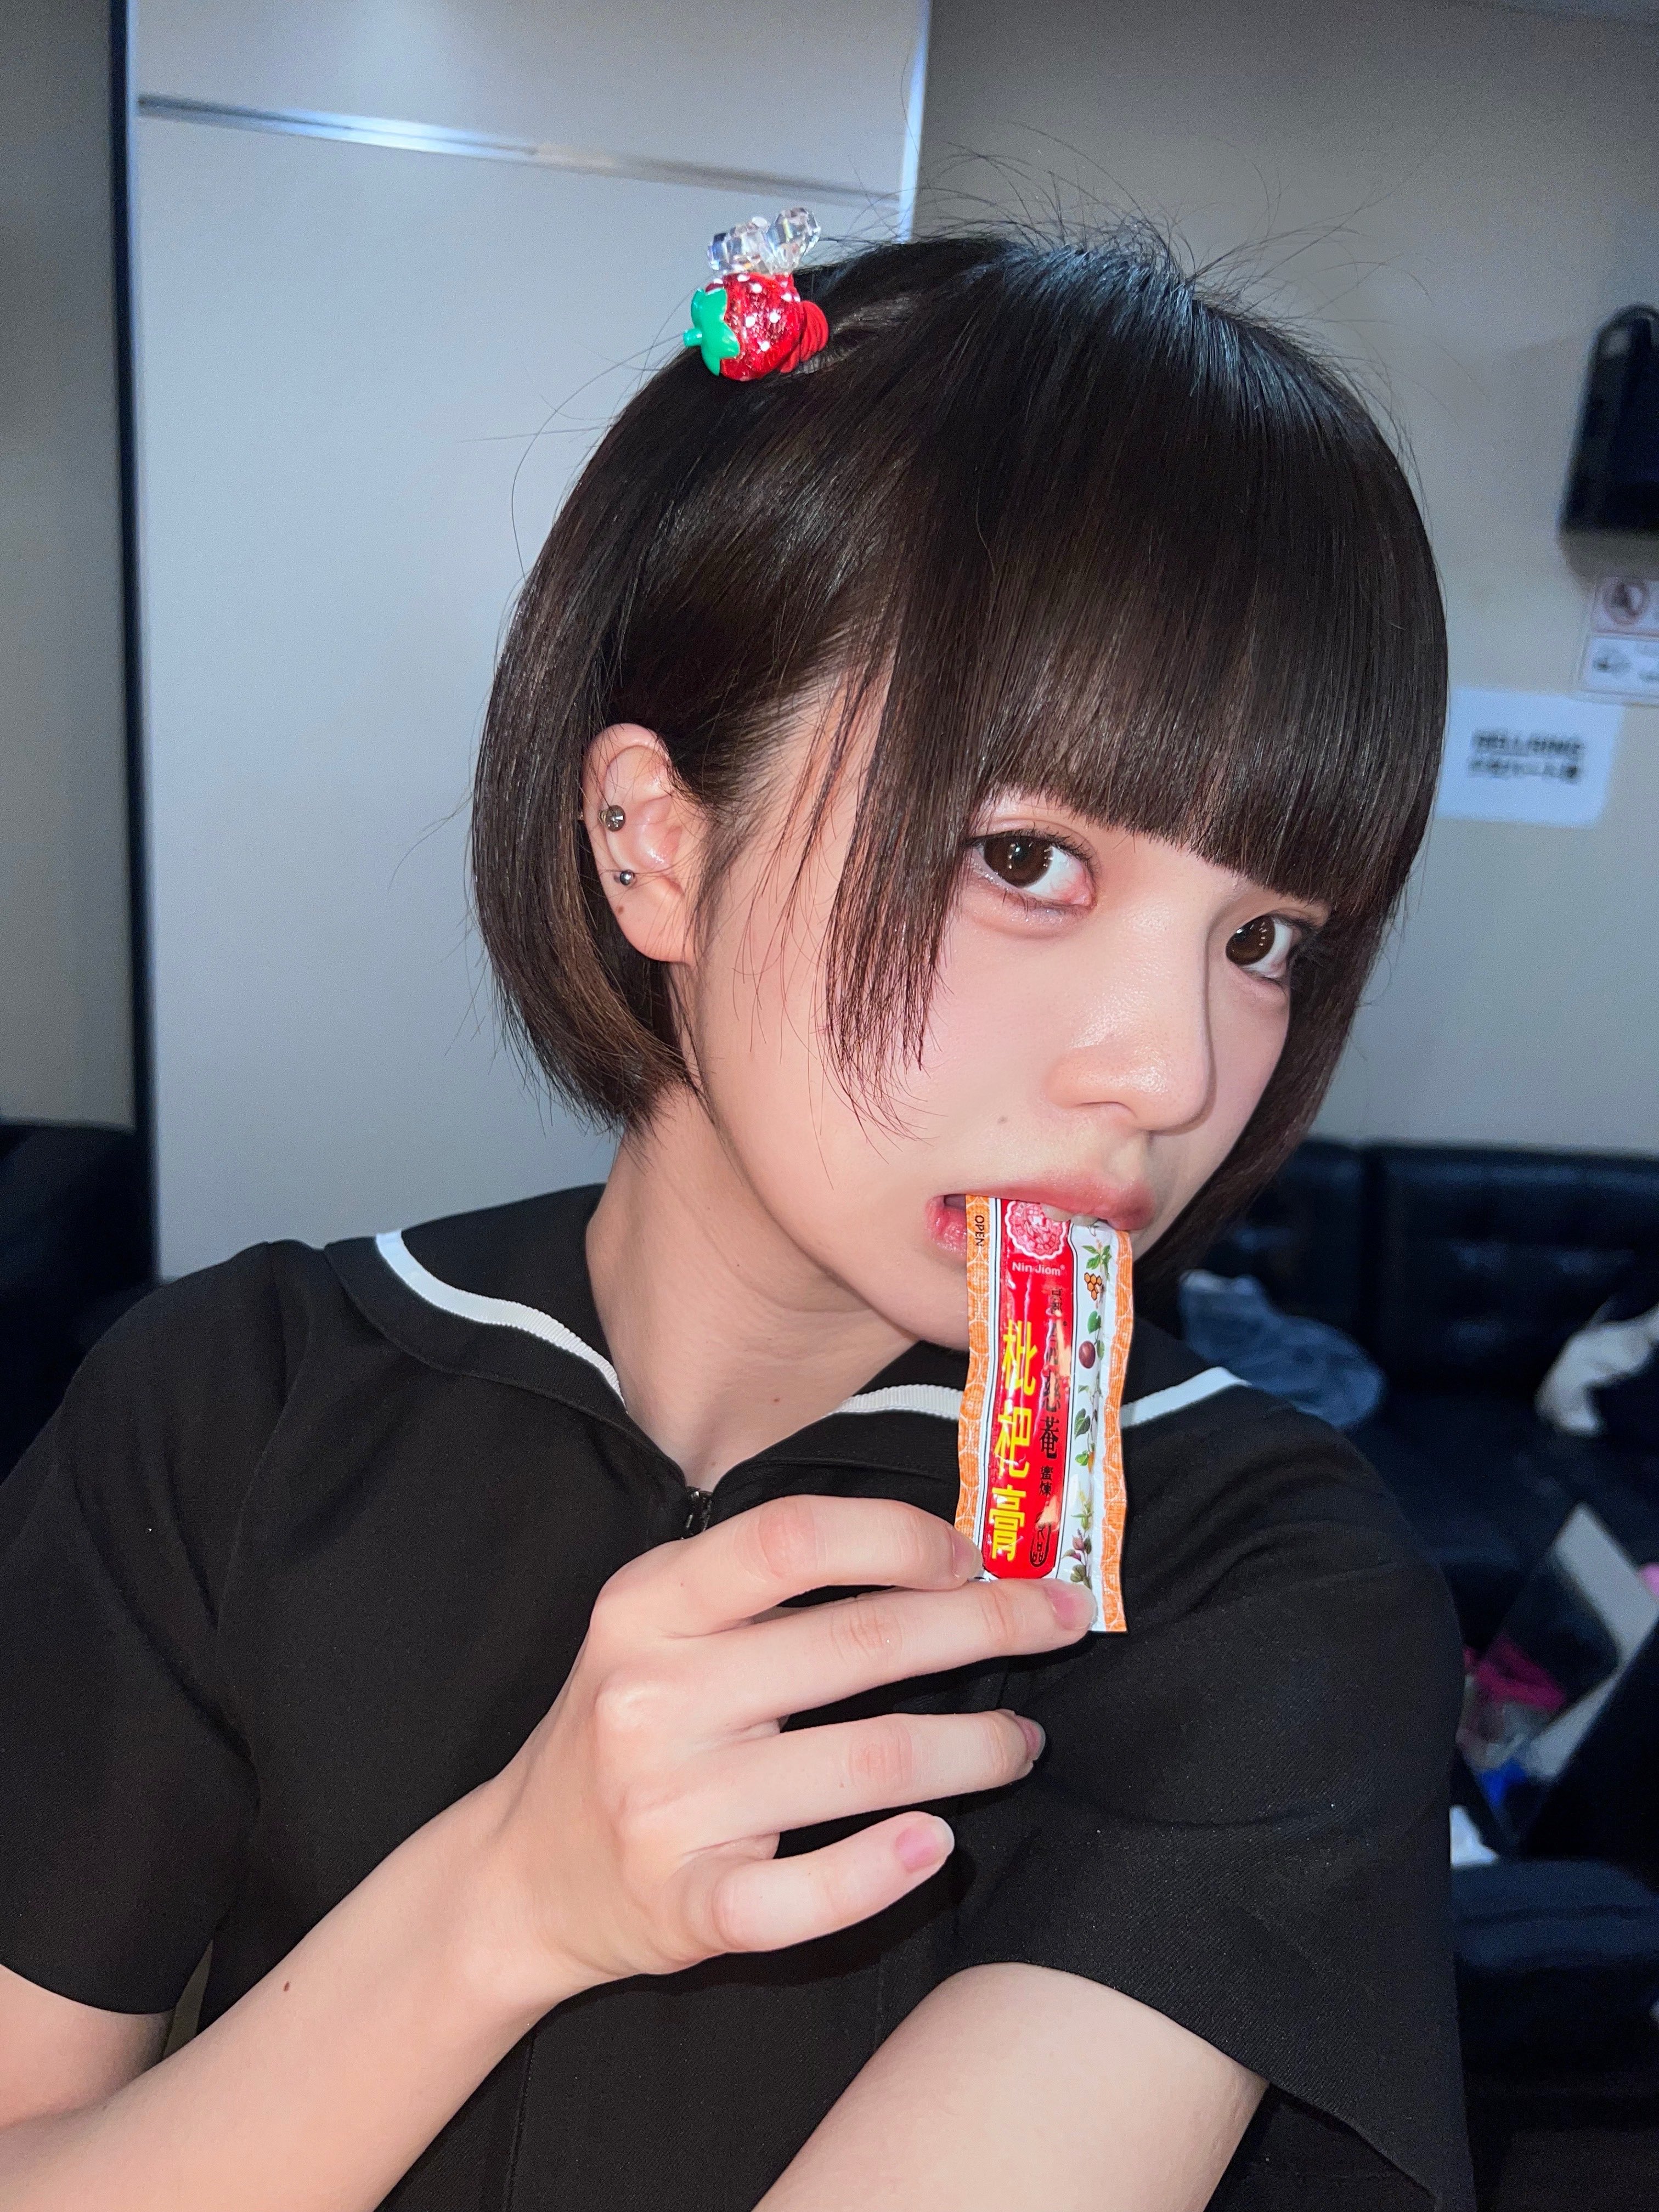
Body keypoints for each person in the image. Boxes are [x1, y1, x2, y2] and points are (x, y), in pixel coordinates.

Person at [0, 229, 1470, 2211]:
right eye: (1026, 857)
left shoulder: (1264, 1581)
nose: (1171, 1071)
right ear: (656, 840)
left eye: (1266, 937)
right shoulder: (226, 1410)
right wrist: (506, 1903)